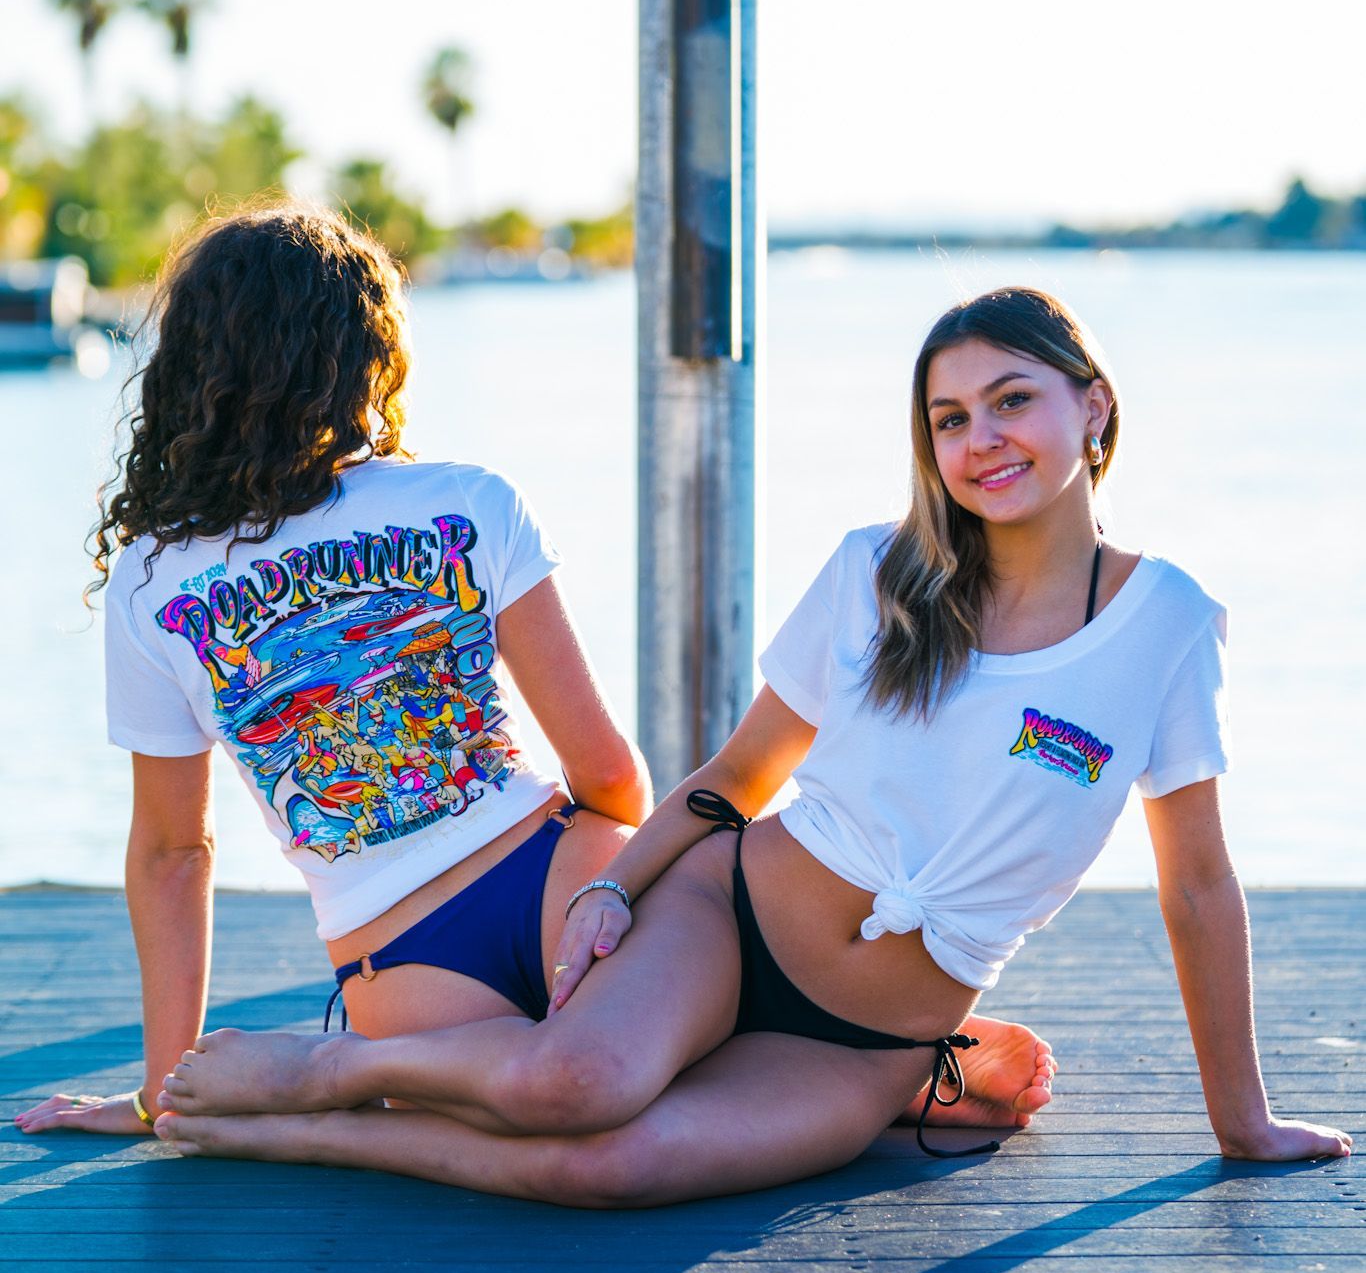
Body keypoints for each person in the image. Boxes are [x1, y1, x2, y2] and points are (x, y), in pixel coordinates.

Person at [147, 283, 1349, 1200]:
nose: (981, 438)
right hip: (732, 912)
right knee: (578, 1084)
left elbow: (1196, 882)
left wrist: (1241, 1123)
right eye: (949, 417)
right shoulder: (877, 573)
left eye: (1011, 399)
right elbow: (734, 779)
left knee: (600, 1171)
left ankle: (307, 1128)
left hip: (865, 1042)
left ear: (1092, 406)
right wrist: (616, 887)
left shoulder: (1167, 624)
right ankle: (329, 1071)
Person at [14, 203, 654, 1141]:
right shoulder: (469, 501)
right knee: (685, 1067)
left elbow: (172, 855)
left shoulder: (151, 580)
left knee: (535, 1117)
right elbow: (611, 777)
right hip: (559, 870)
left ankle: (325, 1075)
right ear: (367, 352)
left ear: (193, 368)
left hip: (402, 960)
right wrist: (631, 888)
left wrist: (164, 1092)